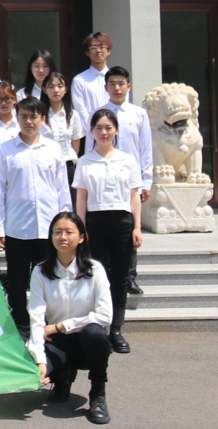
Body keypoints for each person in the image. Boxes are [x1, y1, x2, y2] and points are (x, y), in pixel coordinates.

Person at [0, 97, 72, 337]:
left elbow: (62, 189)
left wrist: (66, 224)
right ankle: (20, 325)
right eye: (24, 117)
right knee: (17, 281)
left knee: (48, 278)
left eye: (33, 117)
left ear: (43, 119)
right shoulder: (5, 150)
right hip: (17, 228)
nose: (29, 121)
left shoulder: (53, 149)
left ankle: (46, 325)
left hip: (48, 228)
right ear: (16, 119)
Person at [28, 212, 113, 425]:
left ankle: (98, 393)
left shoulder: (95, 270)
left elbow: (105, 315)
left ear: (81, 237)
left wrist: (60, 326)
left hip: (85, 342)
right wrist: (39, 361)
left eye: (69, 232)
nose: (63, 237)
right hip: (57, 342)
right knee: (31, 367)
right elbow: (36, 317)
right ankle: (62, 378)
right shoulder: (40, 271)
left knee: (95, 333)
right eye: (57, 232)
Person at [74, 109, 143, 356]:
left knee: (120, 277)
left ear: (116, 130)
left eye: (108, 128)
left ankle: (116, 329)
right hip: (96, 221)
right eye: (99, 128)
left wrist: (137, 227)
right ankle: (99, 327)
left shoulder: (127, 160)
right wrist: (82, 229)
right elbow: (81, 198)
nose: (104, 132)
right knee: (98, 276)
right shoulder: (85, 162)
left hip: (122, 221)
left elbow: (134, 196)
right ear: (91, 132)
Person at [84, 66, 153, 297]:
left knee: (129, 227)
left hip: (128, 179)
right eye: (112, 84)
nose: (117, 88)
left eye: (121, 83)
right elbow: (90, 148)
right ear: (106, 87)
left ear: (128, 86)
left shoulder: (138, 114)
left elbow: (145, 149)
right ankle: (104, 279)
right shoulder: (98, 114)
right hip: (103, 178)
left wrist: (146, 181)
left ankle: (129, 277)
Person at [42, 71, 84, 205]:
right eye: (51, 86)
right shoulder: (40, 115)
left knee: (70, 202)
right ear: (44, 90)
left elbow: (76, 145)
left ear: (65, 89)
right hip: (46, 164)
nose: (56, 90)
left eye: (60, 86)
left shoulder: (73, 115)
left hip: (68, 164)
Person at [72, 32, 115, 129]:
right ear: (87, 52)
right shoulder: (79, 80)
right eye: (94, 47)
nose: (98, 50)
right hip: (89, 132)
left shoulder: (117, 80)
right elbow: (80, 110)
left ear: (108, 51)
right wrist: (93, 130)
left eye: (101, 47)